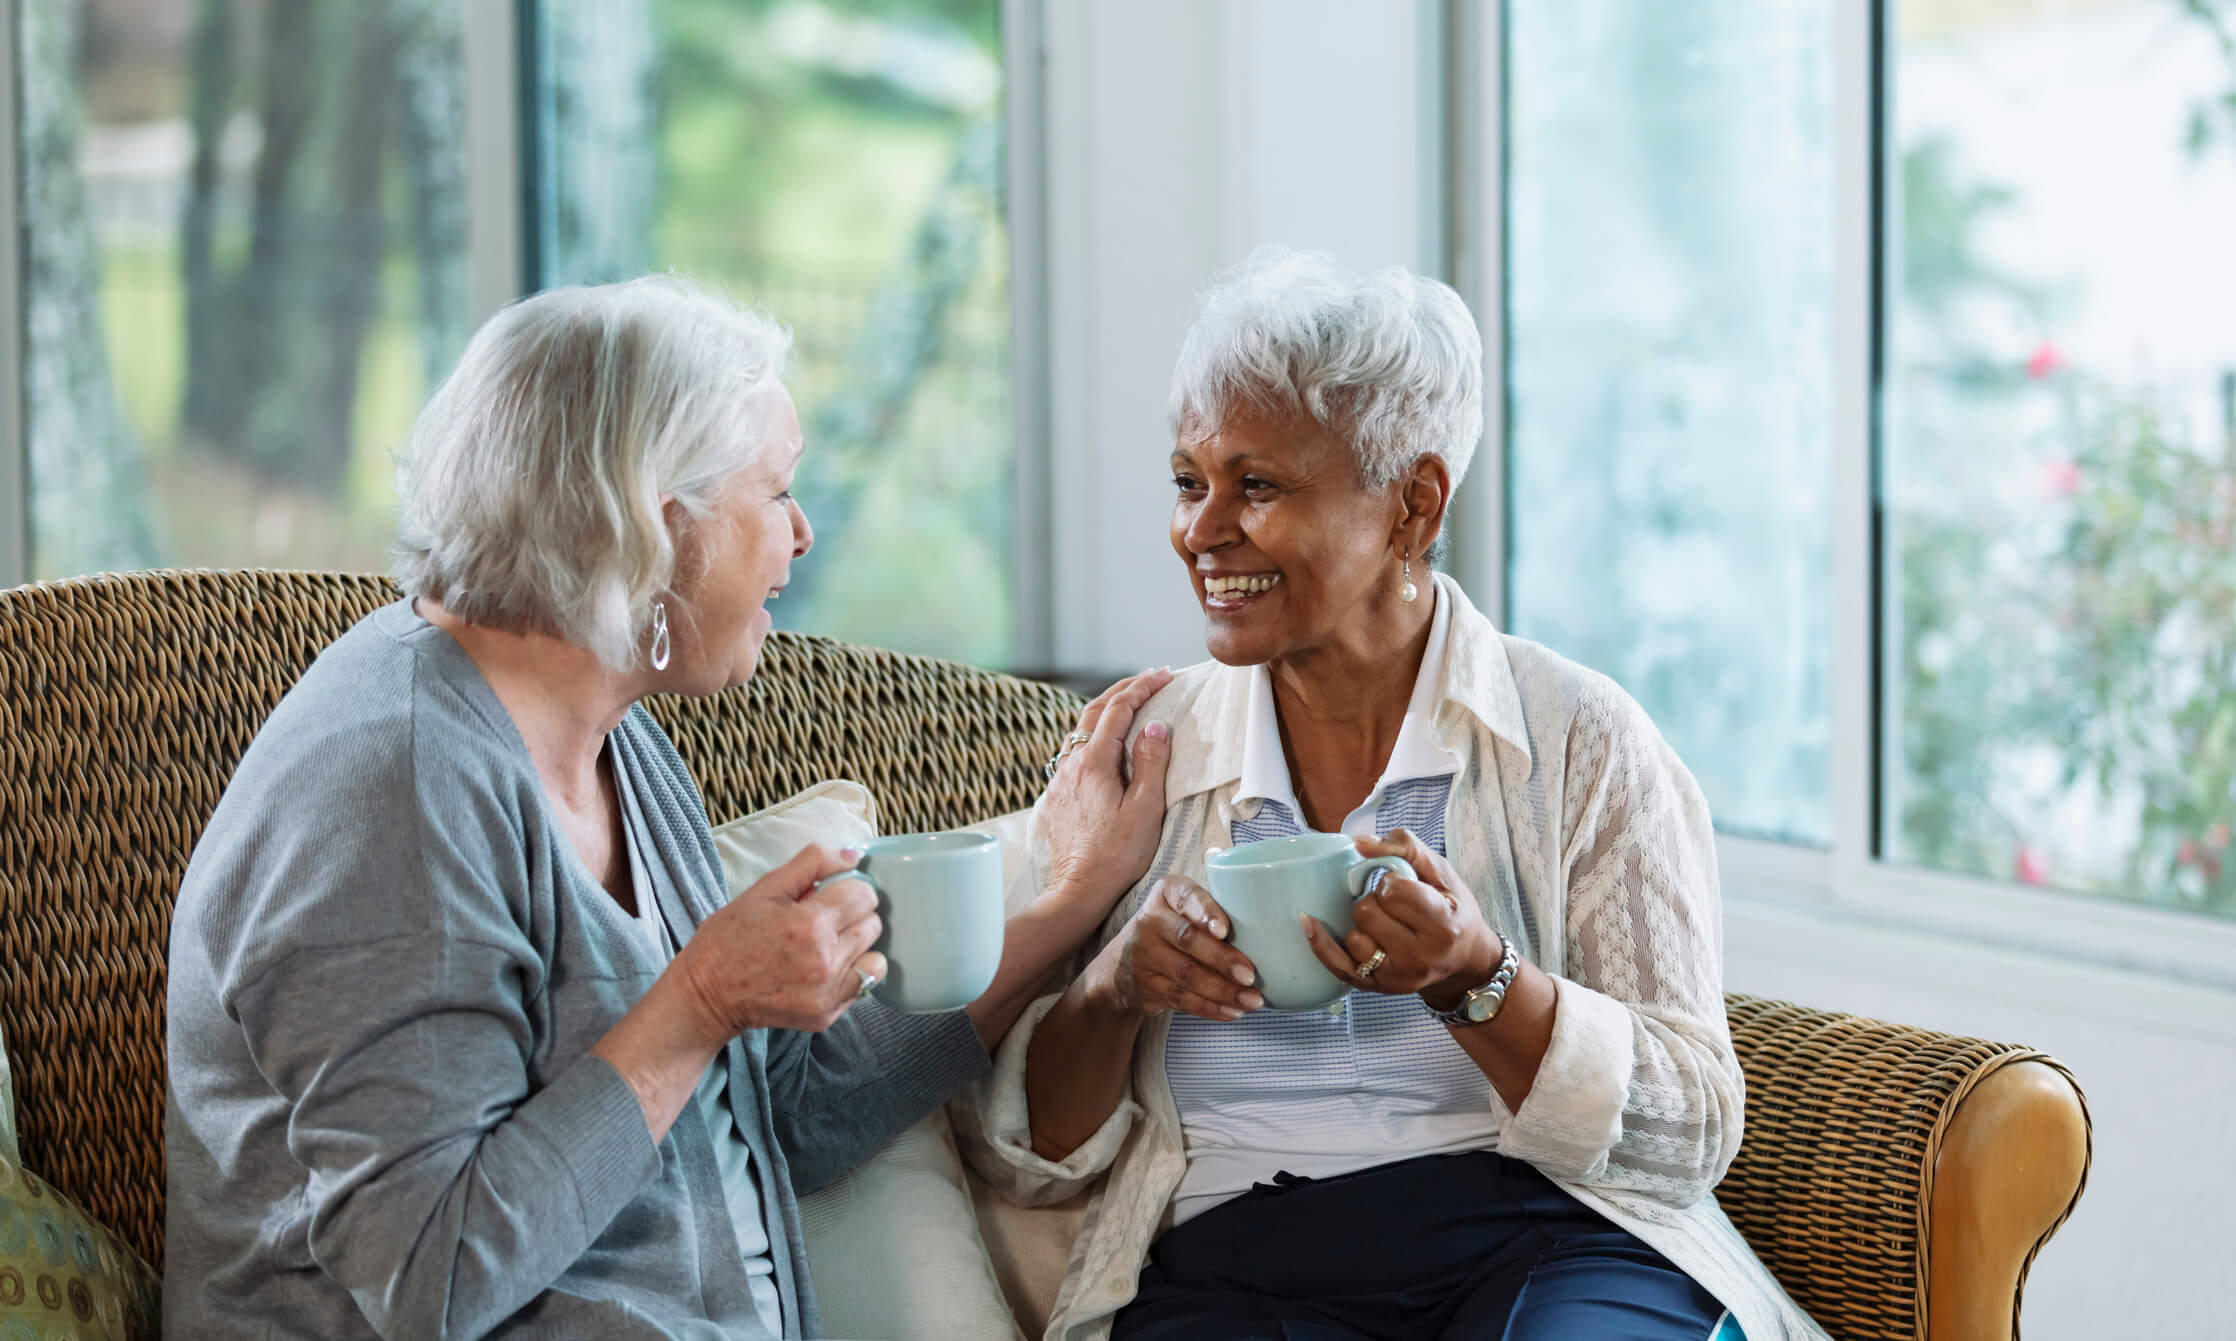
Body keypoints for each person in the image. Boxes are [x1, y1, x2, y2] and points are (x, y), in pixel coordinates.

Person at [164, 276, 1173, 1339]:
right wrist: (697, 1004)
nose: (803, 533)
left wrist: (1072, 898)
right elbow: (431, 1279)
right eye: (775, 493)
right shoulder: (392, 794)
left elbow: (798, 1115)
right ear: (656, 523)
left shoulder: (611, 735)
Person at [955, 250, 1828, 1341]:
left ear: (1412, 508)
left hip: (1549, 1240)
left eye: (1256, 485)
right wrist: (1117, 989)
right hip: (1235, 1276)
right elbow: (1027, 1163)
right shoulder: (1142, 756)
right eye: (1189, 482)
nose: (1199, 530)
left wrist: (1477, 979)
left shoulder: (1578, 739)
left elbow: (1691, 1128)